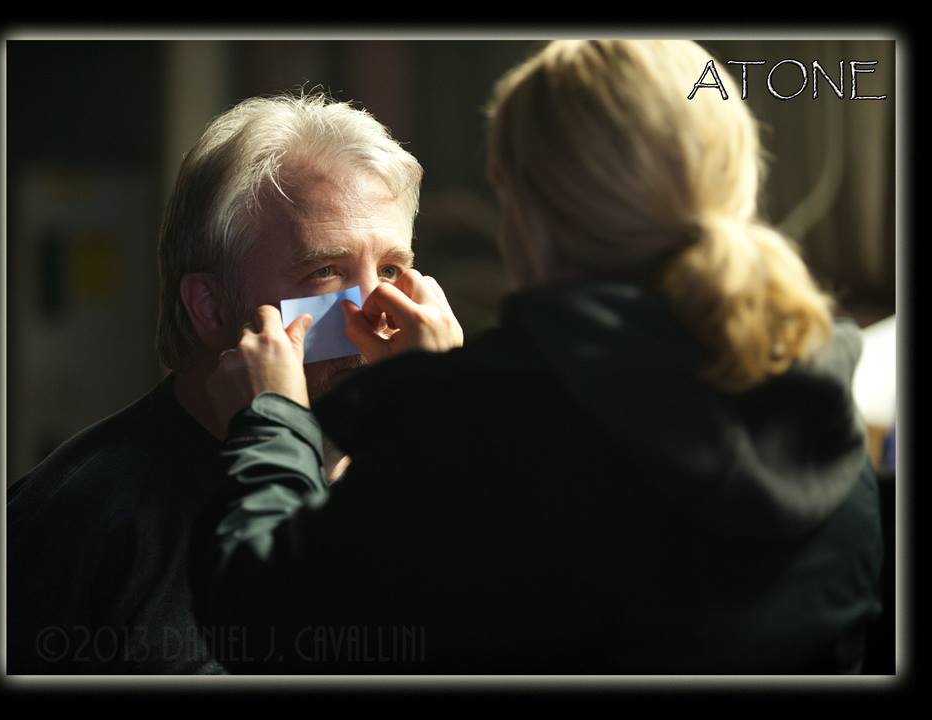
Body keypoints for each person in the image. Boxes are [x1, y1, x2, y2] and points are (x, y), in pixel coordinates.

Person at [192, 40, 884, 674]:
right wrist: (432, 398)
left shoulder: (501, 437)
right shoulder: (827, 418)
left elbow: (268, 623)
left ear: (528, 211)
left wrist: (274, 417)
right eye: (323, 271)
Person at [6, 91, 434, 673]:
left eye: (390, 270)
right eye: (325, 272)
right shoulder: (73, 526)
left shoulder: (419, 487)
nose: (375, 312)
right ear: (209, 307)